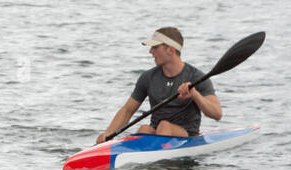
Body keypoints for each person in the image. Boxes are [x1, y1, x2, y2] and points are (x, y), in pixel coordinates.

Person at [95, 27, 223, 143]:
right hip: (157, 132)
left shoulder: (197, 77)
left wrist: (195, 94)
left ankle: (160, 166)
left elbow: (217, 114)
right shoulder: (148, 77)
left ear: (171, 50)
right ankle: (150, 165)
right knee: (144, 129)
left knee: (164, 126)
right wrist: (109, 133)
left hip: (187, 135)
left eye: (155, 47)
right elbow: (127, 110)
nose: (150, 52)